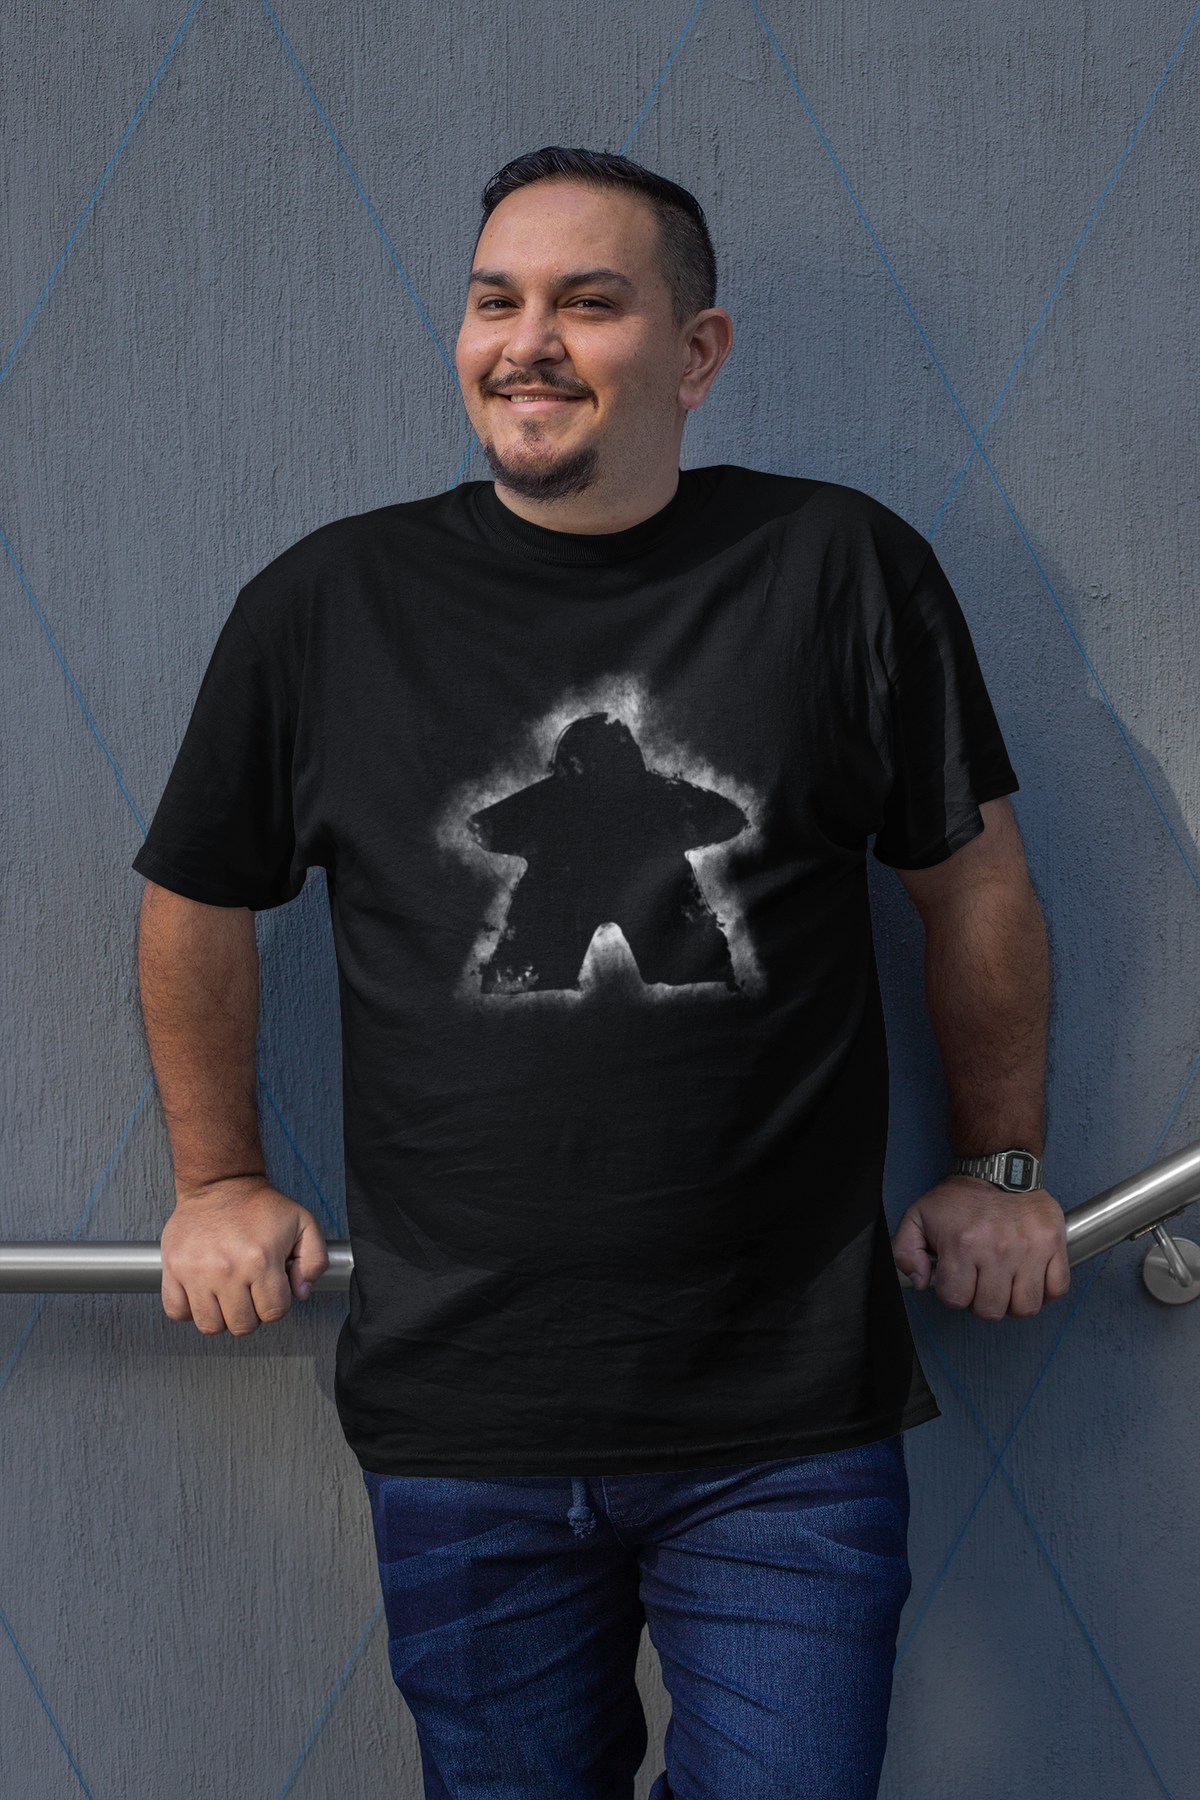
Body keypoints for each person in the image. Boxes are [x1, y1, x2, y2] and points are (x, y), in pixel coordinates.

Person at [135, 147, 1068, 1800]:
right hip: (464, 1410)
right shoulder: (329, 605)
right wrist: (216, 1175)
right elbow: (197, 896)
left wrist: (1001, 1164)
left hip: (785, 1416)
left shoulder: (837, 570)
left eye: (588, 300)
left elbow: (971, 877)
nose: (528, 339)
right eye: (496, 299)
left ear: (696, 352)